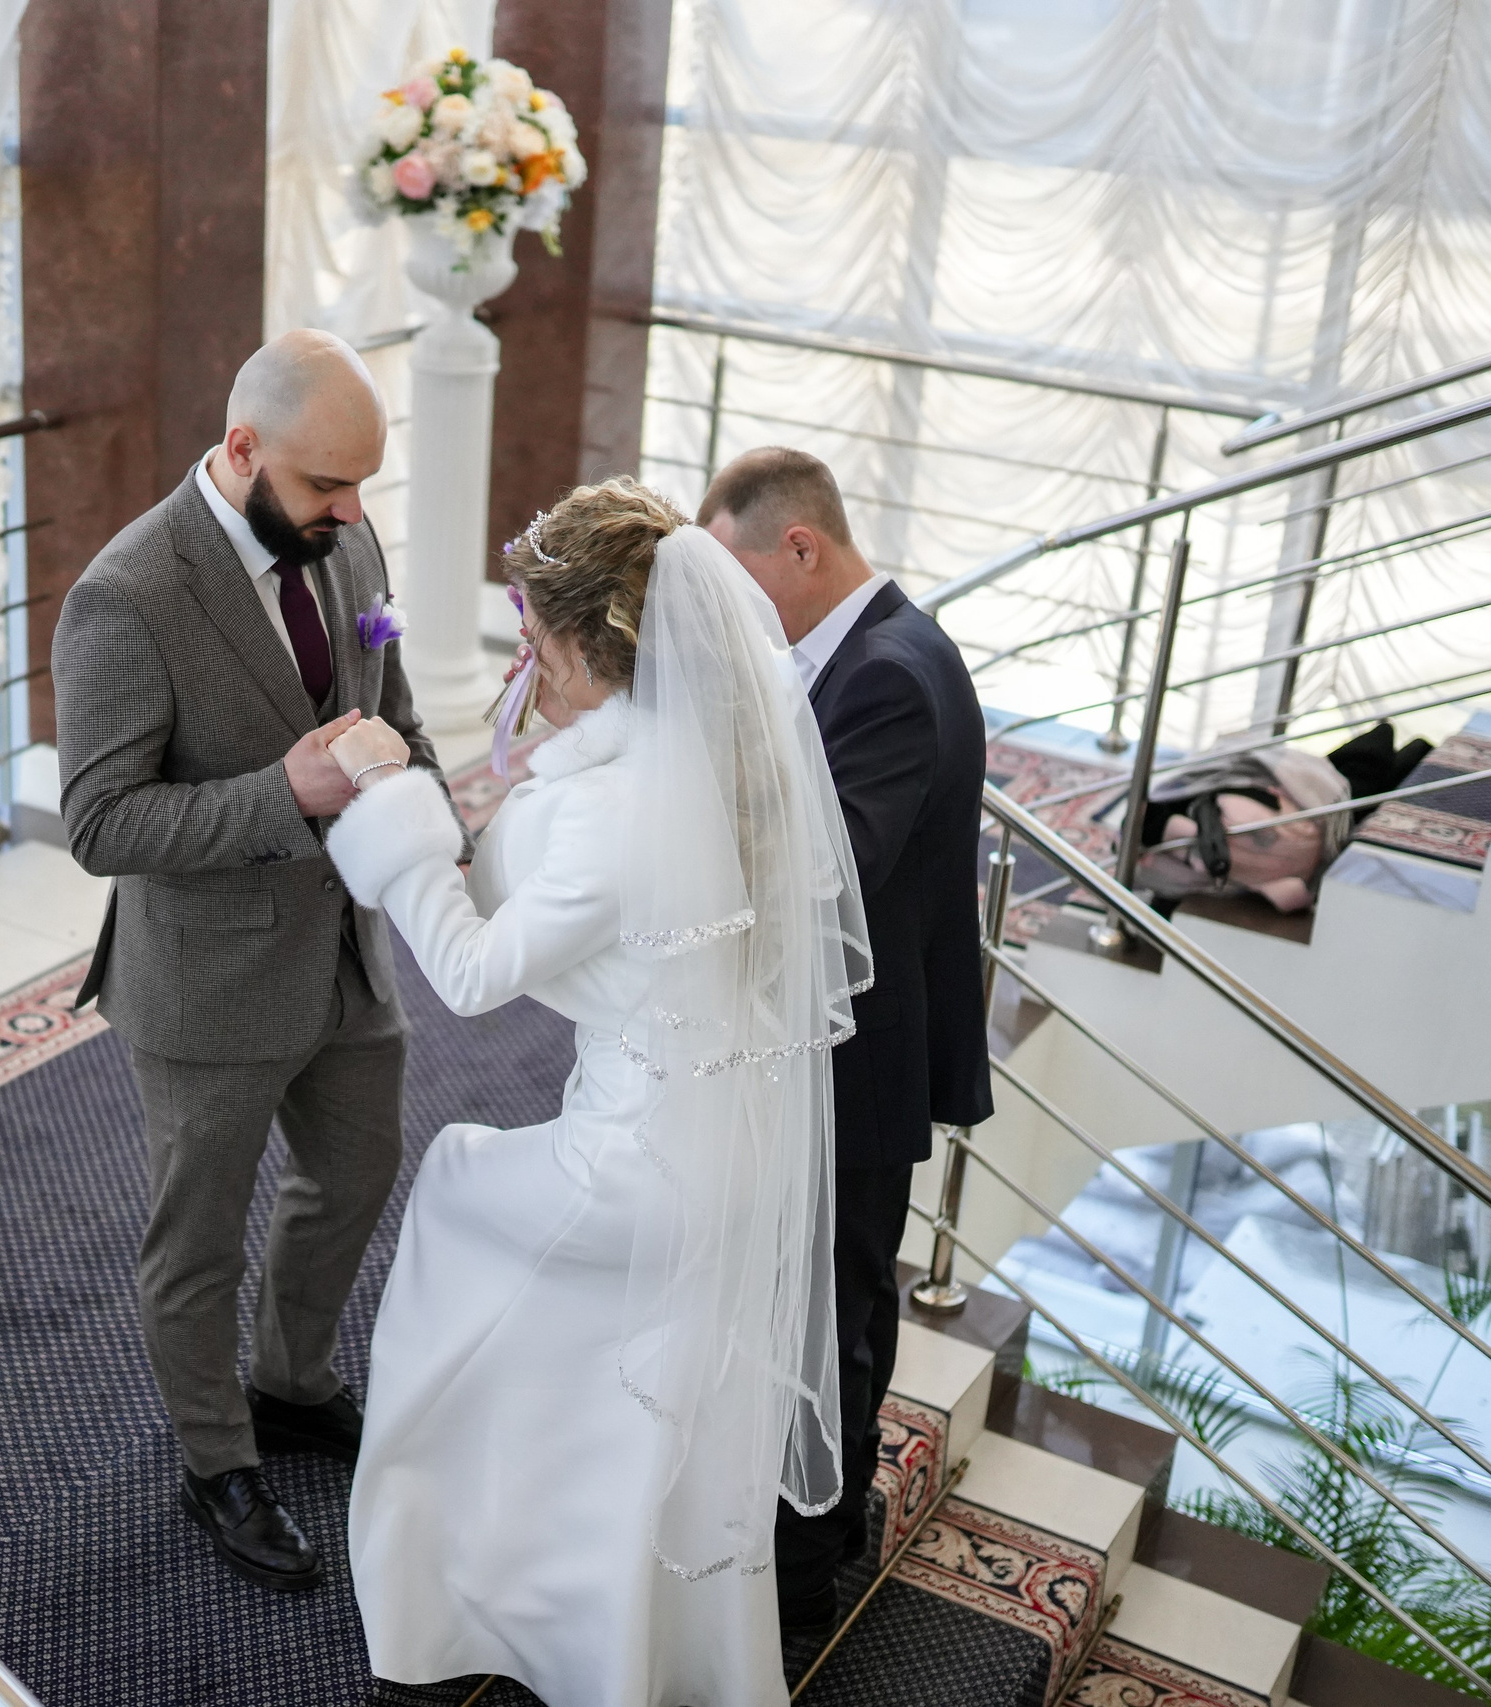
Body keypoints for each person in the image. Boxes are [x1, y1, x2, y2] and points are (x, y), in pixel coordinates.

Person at [321, 479, 870, 1706]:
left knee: (454, 1192)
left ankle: (444, 1573)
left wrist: (393, 810)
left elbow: (468, 977)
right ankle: (598, 1617)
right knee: (599, 1376)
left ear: (601, 651)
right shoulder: (716, 766)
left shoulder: (615, 810)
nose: (527, 665)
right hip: (728, 1159)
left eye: (537, 644)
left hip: (638, 1170)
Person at [51, 329, 456, 1593]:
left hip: (345, 950)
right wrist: (282, 792)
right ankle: (215, 1458)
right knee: (199, 1240)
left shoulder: (350, 540)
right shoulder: (126, 596)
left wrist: (433, 804)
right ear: (241, 450)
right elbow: (100, 825)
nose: (352, 514)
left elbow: (388, 696)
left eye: (360, 486)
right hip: (207, 983)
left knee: (355, 1171)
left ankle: (289, 1384)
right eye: (327, 487)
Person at [698, 446, 994, 1637]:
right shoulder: (871, 649)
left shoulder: (884, 677)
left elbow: (829, 874)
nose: (723, 612)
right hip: (857, 1040)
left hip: (857, 1055)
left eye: (733, 579)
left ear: (800, 548)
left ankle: (807, 1566)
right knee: (846, 1293)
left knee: (833, 1303)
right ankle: (837, 1507)